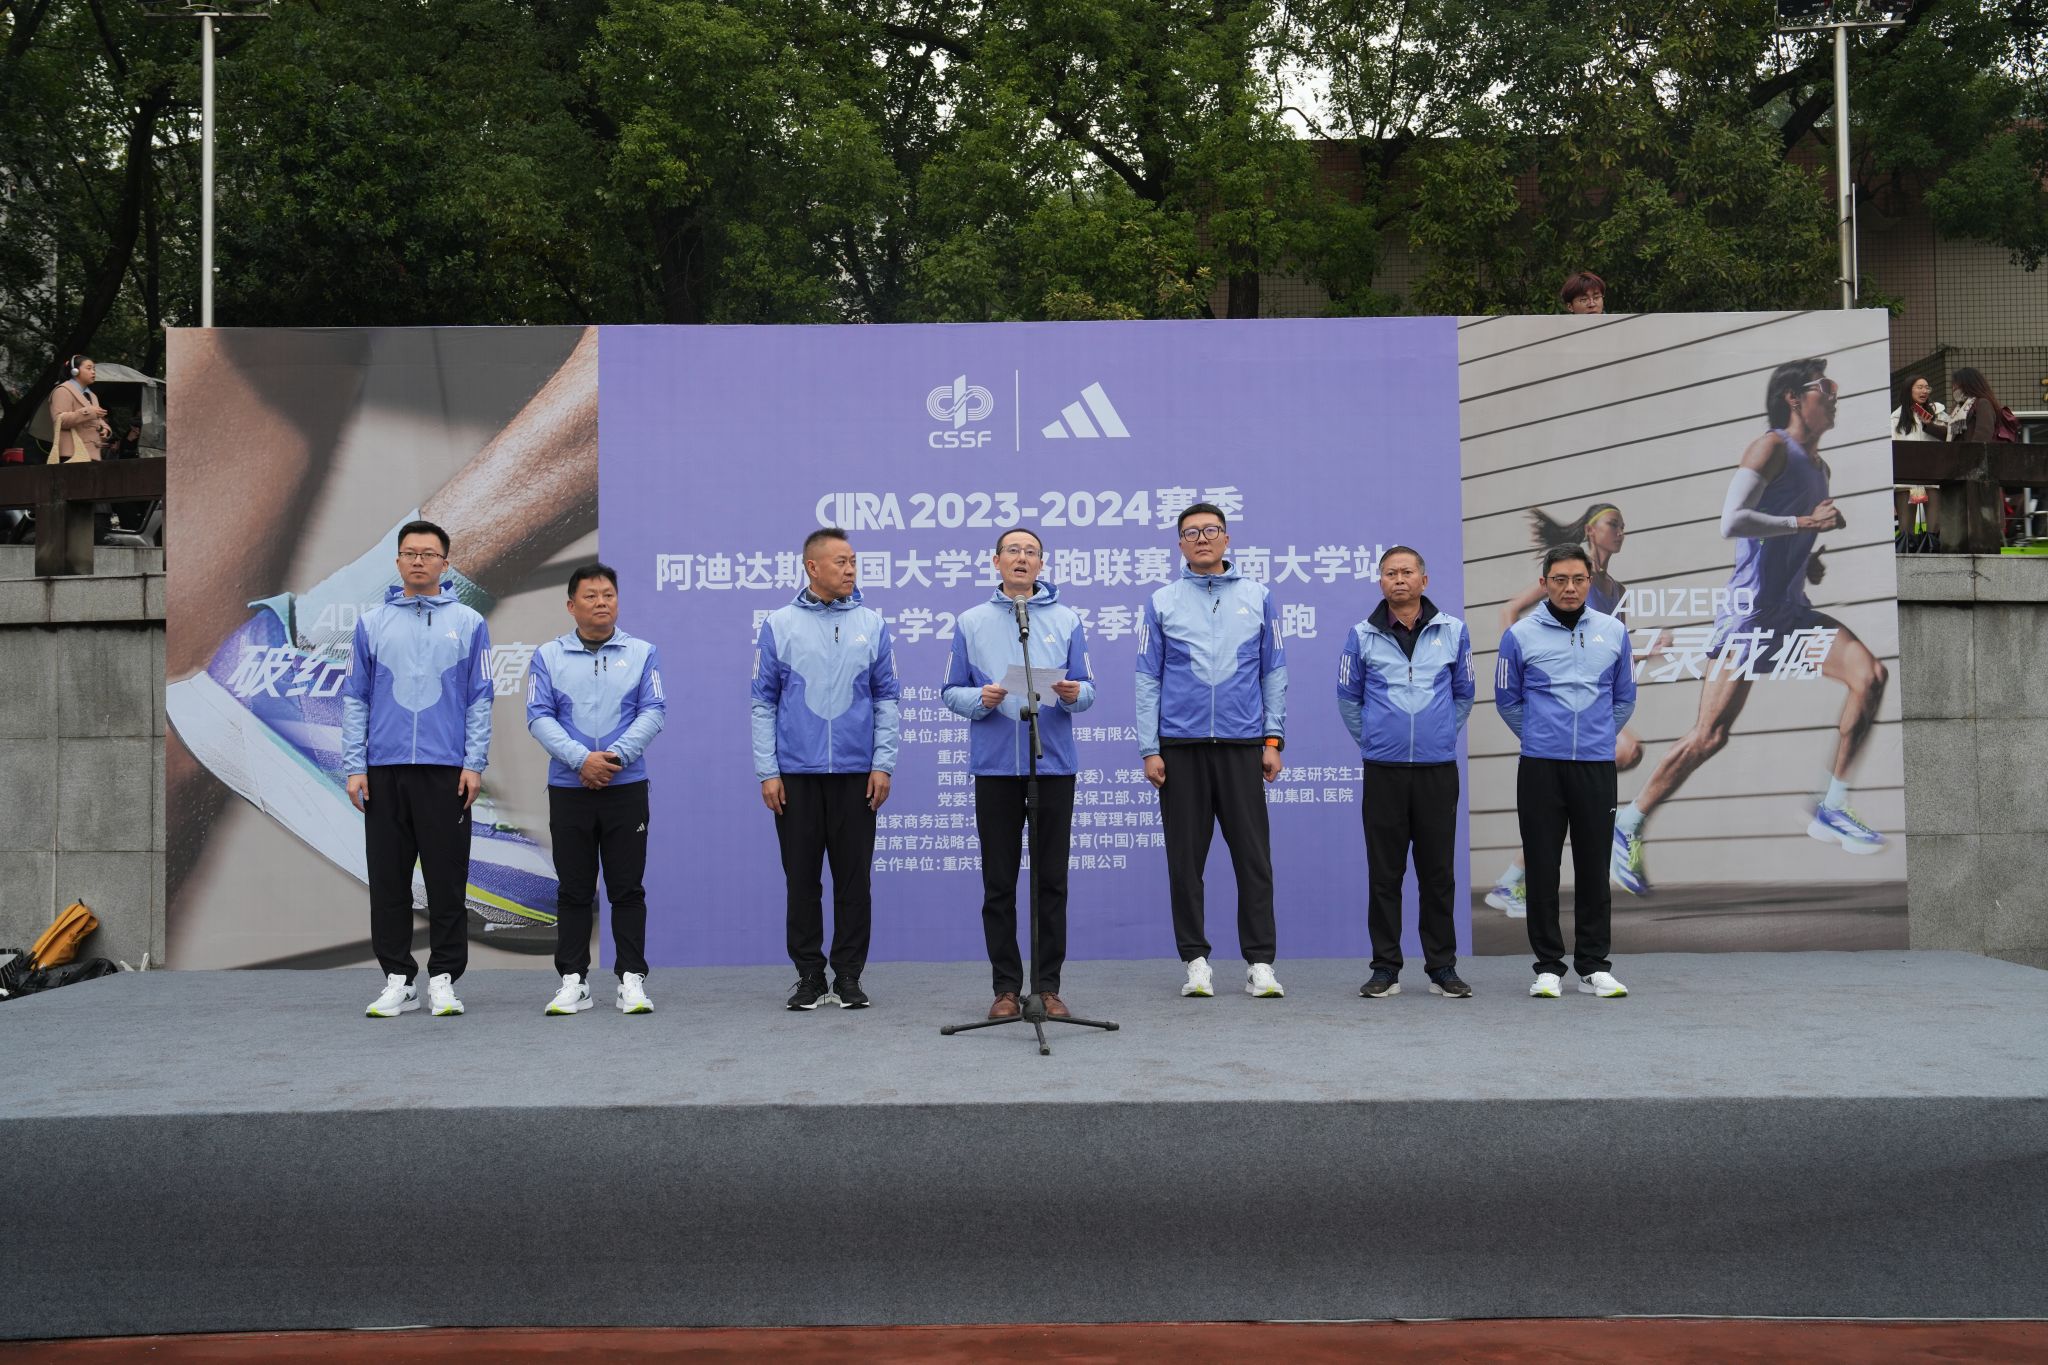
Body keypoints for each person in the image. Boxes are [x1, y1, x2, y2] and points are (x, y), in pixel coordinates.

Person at [1611, 358, 1890, 896]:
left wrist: (1809, 559)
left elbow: (1783, 539)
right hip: (1749, 616)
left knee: (1871, 676)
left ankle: (1832, 806)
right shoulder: (1770, 447)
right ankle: (1629, 822)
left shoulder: (1822, 469)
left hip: (1790, 613)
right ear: (1794, 397)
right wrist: (1805, 522)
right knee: (1709, 736)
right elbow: (1732, 521)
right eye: (1826, 387)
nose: (1835, 396)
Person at [1137, 501, 1289, 1000]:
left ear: (1226, 538)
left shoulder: (1258, 596)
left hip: (1243, 745)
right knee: (1185, 862)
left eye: (1210, 530)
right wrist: (1150, 747)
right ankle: (1196, 961)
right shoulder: (1161, 601)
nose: (1202, 539)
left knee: (1254, 859)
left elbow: (1273, 671)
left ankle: (1260, 962)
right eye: (1191, 532)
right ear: (1180, 544)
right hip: (1180, 747)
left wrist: (1272, 738)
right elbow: (1147, 678)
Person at [941, 528, 1094, 1021]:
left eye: (1031, 552)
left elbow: (1088, 688)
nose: (1022, 558)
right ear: (996, 562)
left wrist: (1074, 694)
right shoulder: (971, 622)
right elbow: (950, 690)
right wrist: (979, 698)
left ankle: (1048, 987)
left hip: (1052, 764)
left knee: (1051, 882)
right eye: (1013, 551)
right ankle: (1006, 988)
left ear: (1041, 564)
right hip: (994, 769)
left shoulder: (1066, 619)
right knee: (999, 883)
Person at [344, 519, 494, 1018]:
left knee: (446, 880)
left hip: (445, 770)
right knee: (388, 880)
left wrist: (473, 763)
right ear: (397, 561)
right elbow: (355, 698)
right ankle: (398, 979)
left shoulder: (468, 622)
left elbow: (480, 698)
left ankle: (444, 978)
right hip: (384, 770)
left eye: (429, 554)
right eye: (410, 553)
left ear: (445, 564)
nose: (418, 561)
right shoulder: (371, 623)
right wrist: (355, 765)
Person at [752, 527, 898, 1011]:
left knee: (854, 881)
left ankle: (849, 975)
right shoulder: (780, 624)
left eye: (853, 561)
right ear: (812, 567)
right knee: (801, 880)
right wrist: (767, 771)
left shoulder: (872, 624)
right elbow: (762, 702)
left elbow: (887, 698)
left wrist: (883, 764)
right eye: (841, 561)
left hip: (858, 774)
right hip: (796, 775)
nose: (851, 569)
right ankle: (810, 976)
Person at [1487, 502, 1646, 918]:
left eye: (1623, 525)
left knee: (1627, 751)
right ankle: (1514, 884)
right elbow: (1509, 610)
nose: (1620, 531)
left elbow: (1613, 654)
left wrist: (1649, 652)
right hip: (1552, 718)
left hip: (1590, 719)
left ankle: (1511, 881)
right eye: (1613, 524)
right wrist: (1518, 661)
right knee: (1625, 750)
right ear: (1591, 531)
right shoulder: (1565, 574)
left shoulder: (1617, 592)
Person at [1496, 543, 1636, 1000]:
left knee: (1594, 867)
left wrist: (1596, 738)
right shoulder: (1520, 635)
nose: (1569, 588)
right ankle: (1548, 968)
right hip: (1541, 768)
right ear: (1544, 584)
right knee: (1542, 867)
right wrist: (1542, 738)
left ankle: (1594, 967)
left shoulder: (1613, 632)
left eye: (1578, 579)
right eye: (1559, 580)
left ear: (1589, 581)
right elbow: (1508, 700)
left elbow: (1624, 698)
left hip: (1595, 767)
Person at [526, 563, 666, 1017]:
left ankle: (631, 978)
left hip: (626, 787)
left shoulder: (642, 653)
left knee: (627, 888)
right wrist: (580, 760)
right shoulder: (548, 656)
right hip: (570, 788)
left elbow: (653, 711)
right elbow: (538, 716)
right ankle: (573, 980)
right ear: (571, 606)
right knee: (574, 889)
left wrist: (614, 759)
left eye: (608, 594)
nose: (601, 602)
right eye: (590, 595)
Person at [1336, 546, 1475, 1000]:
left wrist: (1440, 736)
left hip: (1437, 770)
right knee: (1385, 874)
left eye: (1407, 572)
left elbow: (1464, 693)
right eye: (1391, 573)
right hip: (1384, 771)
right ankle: (1385, 968)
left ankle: (1442, 968)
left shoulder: (1453, 631)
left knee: (1438, 875)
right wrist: (1376, 741)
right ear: (1381, 582)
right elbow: (1349, 699)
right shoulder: (1361, 635)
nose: (1399, 579)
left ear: (1424, 580)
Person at [1892, 376, 1946, 551]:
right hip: (1906, 480)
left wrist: (1930, 424)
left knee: (1935, 524)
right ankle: (1908, 558)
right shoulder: (1896, 418)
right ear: (1909, 390)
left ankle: (1933, 554)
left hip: (1933, 476)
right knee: (1906, 526)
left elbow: (1949, 436)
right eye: (1919, 387)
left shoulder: (1938, 412)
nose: (1924, 391)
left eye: (1926, 387)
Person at [47, 356, 110, 463]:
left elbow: (97, 419)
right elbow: (60, 420)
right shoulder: (63, 390)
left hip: (93, 455)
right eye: (89, 368)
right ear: (75, 371)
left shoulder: (92, 395)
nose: (93, 372)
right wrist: (89, 412)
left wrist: (105, 429)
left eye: (94, 369)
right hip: (71, 454)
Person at [1949, 367, 2017, 443]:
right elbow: (1950, 434)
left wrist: (1971, 450)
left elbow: (1983, 436)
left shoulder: (1982, 404)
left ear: (1968, 384)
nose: (1954, 388)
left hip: (1972, 450)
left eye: (1956, 385)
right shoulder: (1959, 408)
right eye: (1953, 385)